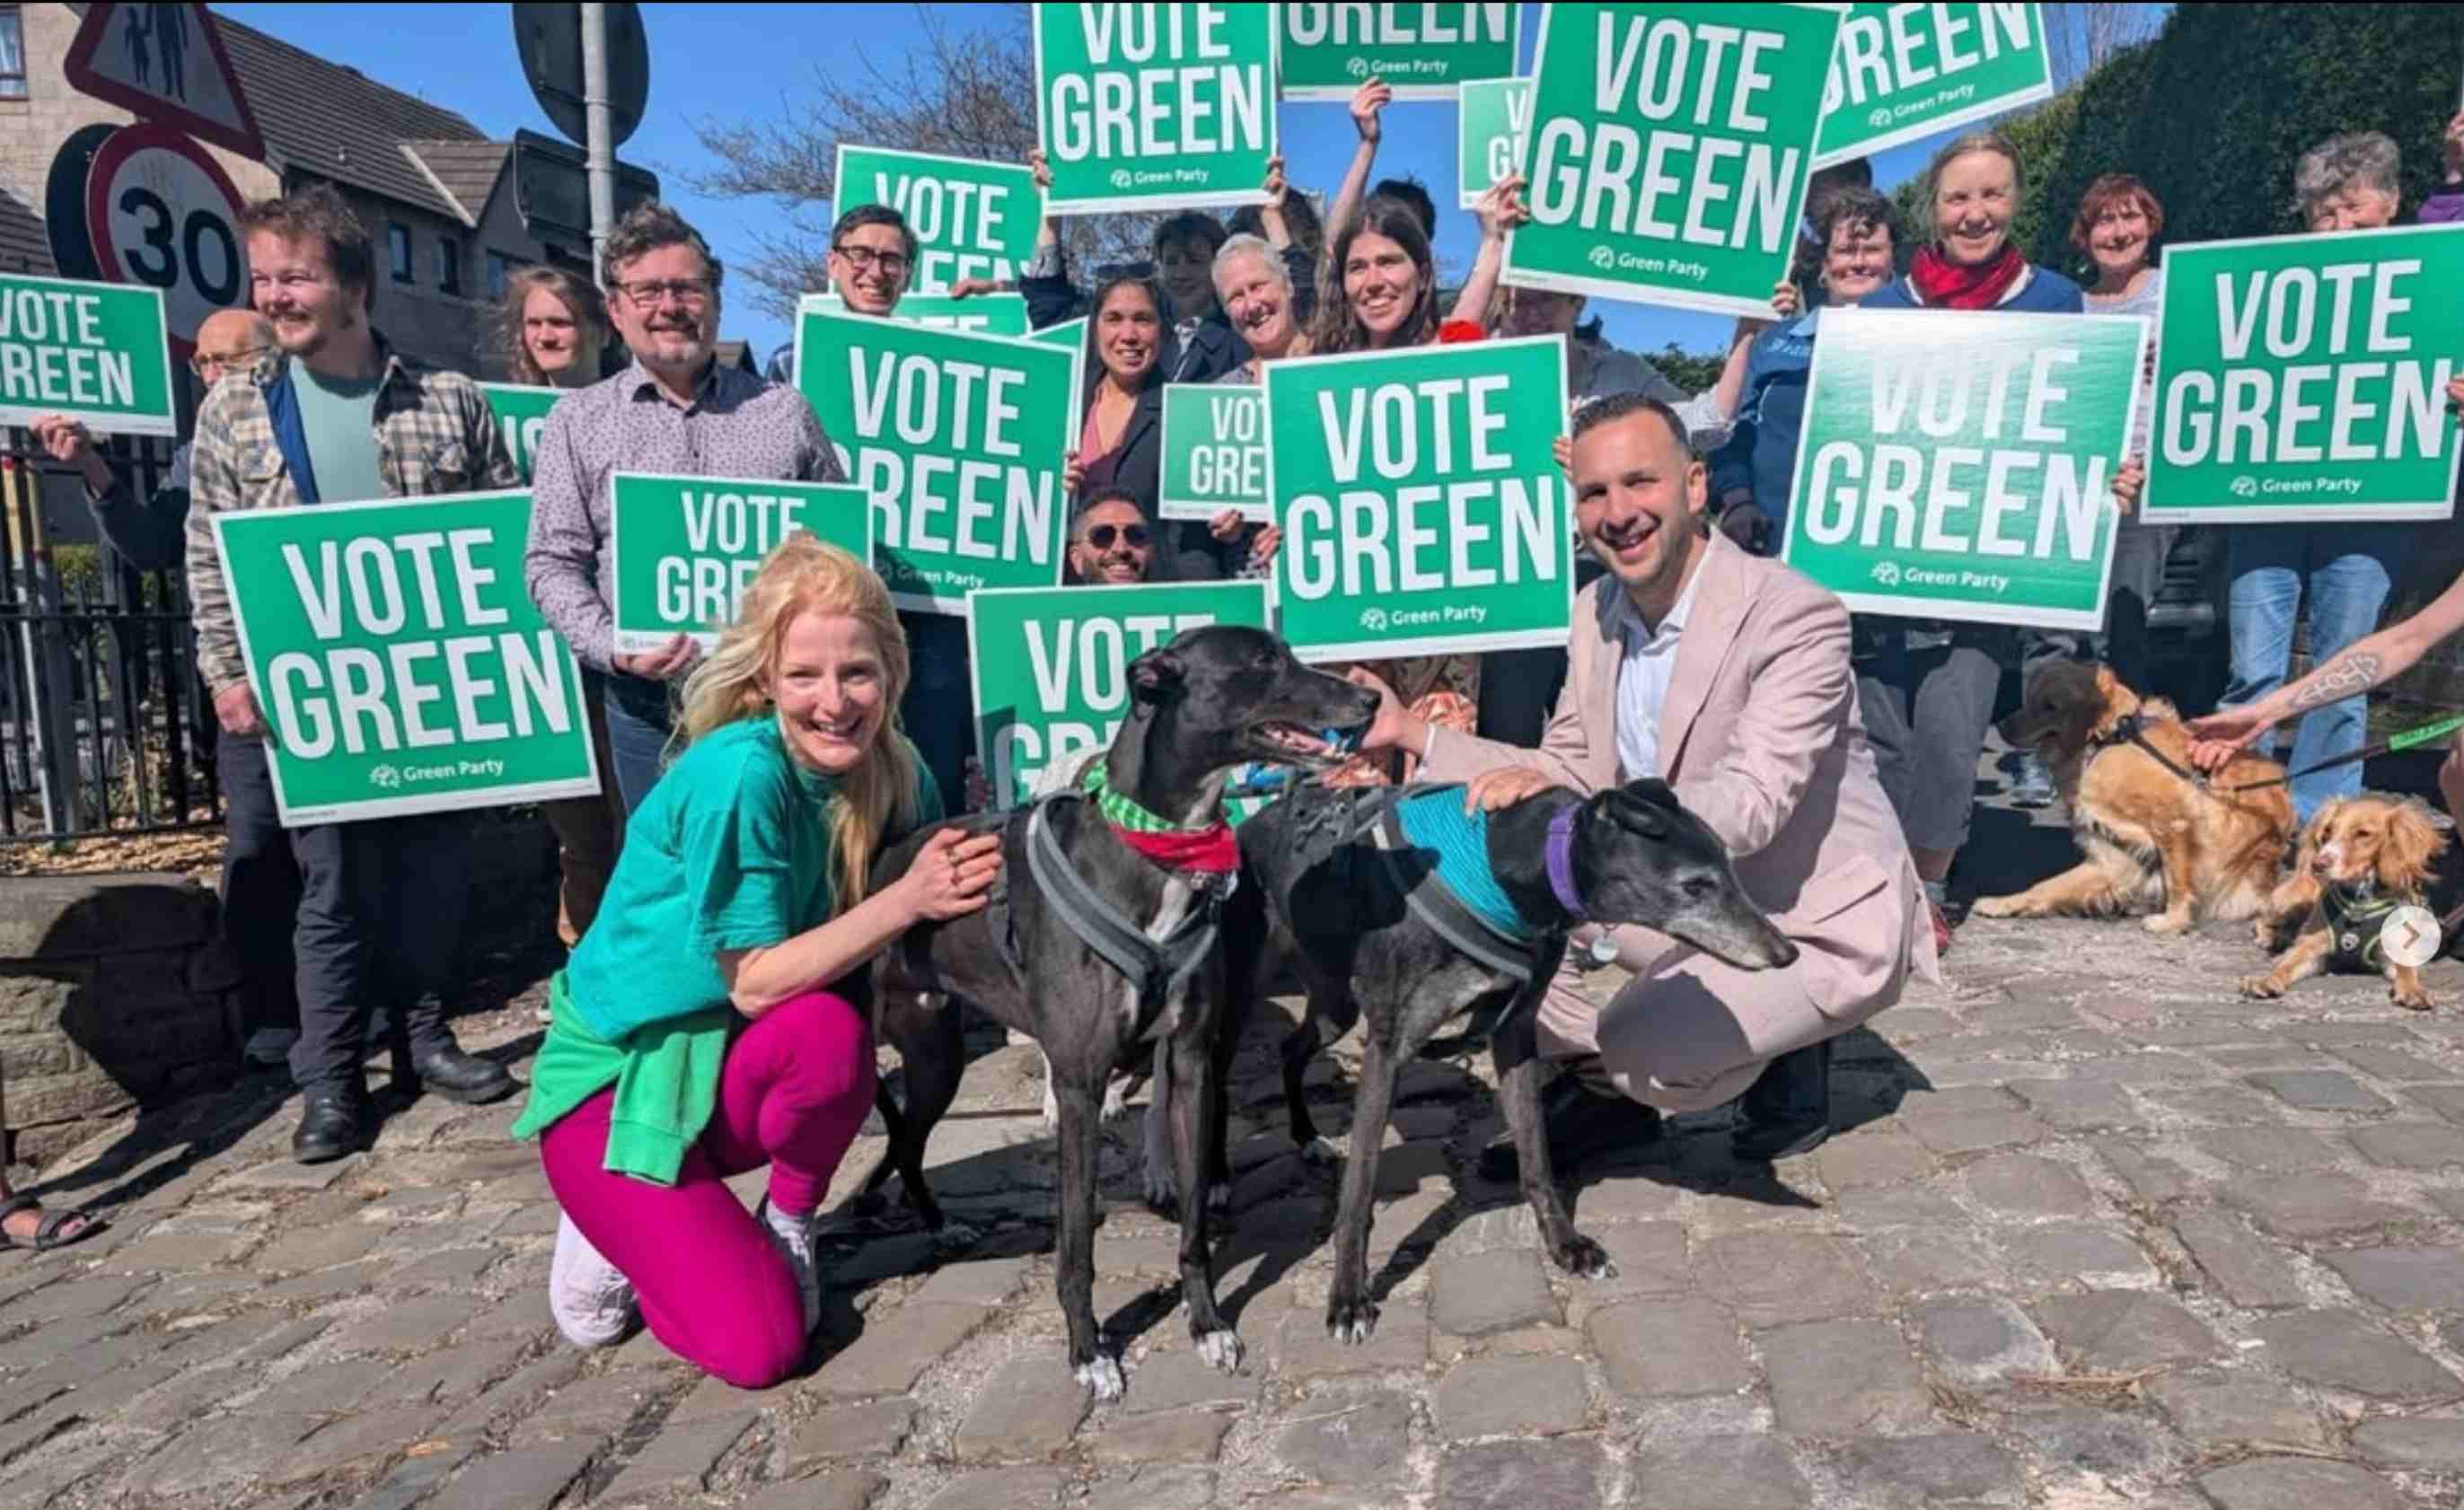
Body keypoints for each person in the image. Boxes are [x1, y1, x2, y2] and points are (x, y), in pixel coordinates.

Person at [1349, 391, 1937, 1171]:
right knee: (1504, 911)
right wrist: (1410, 734)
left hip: (1808, 915)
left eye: (1641, 483)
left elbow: (1751, 805)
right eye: (1594, 493)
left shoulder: (1796, 613)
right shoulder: (1596, 607)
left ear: (1695, 486)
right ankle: (1634, 1075)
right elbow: (1561, 770)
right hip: (1683, 890)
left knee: (1639, 1054)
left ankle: (1753, 1049)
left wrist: (1597, 830)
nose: (1618, 512)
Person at [514, 536, 987, 1389]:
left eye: (858, 673)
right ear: (765, 680)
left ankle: (788, 1219)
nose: (835, 702)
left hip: (735, 1067)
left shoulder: (902, 769)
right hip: (619, 1085)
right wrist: (903, 901)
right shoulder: (742, 775)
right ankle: (610, 1222)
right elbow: (758, 979)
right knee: (757, 1349)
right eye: (805, 675)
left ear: (893, 673)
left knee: (828, 1036)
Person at [185, 184, 523, 1162]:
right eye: (263, 277)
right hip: (305, 698)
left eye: (294, 276)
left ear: (354, 284)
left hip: (427, 689)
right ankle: (329, 1079)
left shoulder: (449, 401)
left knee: (429, 875)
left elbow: (502, 542)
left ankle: (424, 1040)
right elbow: (207, 551)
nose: (273, 296)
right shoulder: (236, 412)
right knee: (329, 889)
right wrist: (226, 673)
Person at [1852, 132, 2143, 946]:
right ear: (1933, 209)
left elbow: (2077, 425)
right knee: (1883, 735)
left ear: (2015, 202)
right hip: (1882, 560)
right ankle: (1882, 876)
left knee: (1953, 726)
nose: (1974, 212)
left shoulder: (2053, 302)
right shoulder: (1880, 312)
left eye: (1991, 195)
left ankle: (1931, 888)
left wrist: (2104, 480)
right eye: (1957, 197)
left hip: (1985, 567)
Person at [31, 311, 304, 1066]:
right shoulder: (196, 455)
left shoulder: (317, 424)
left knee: (347, 851)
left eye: (228, 361)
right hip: (245, 679)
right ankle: (271, 1014)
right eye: (202, 366)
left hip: (331, 666)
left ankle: (370, 1003)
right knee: (256, 843)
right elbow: (155, 545)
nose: (211, 377)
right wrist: (93, 468)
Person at [525, 203, 840, 816]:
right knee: (668, 875)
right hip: (648, 707)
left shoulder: (786, 412)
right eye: (647, 291)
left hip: (776, 701)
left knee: (789, 871)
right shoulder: (578, 420)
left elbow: (839, 550)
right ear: (615, 311)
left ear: (716, 301)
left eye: (687, 288)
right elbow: (550, 562)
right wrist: (611, 644)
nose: (669, 306)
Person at [2212, 131, 2420, 823]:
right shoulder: (2271, 286)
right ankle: (2241, 818)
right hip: (2266, 503)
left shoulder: (2431, 282)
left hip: (2373, 507)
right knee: (2253, 667)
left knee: (2344, 670)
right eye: (2323, 212)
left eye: (2352, 207)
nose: (2338, 225)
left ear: (2390, 205)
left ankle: (2317, 827)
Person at [1303, 191, 1520, 785]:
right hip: (1352, 620)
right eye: (1357, 266)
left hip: (1442, 624)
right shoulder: (1316, 380)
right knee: (1351, 788)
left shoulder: (1453, 359)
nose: (1374, 280)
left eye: (1390, 262)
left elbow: (1470, 315)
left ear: (1422, 275)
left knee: (1438, 786)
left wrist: (1493, 242)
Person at [492, 266, 625, 955]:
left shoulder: (630, 408)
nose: (548, 335)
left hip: (621, 650)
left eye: (562, 321)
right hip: (537, 656)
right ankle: (583, 965)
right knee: (578, 834)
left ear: (599, 327)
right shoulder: (491, 418)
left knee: (631, 818)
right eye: (536, 323)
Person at [2020, 175, 2174, 702]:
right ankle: (2045, 742)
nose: (2119, 230)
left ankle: (2120, 749)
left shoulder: (2178, 291)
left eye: (2130, 216)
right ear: (2084, 236)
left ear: (2151, 224)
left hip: (2146, 479)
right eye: (2104, 220)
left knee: (2125, 623)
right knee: (2055, 625)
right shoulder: (2070, 305)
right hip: (2077, 480)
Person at [1711, 187, 1902, 557]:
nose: (1858, 262)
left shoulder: (1930, 335)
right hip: (1777, 552)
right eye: (1845, 251)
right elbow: (1730, 433)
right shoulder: (1771, 343)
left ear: (1892, 259)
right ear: (1824, 266)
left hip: (1884, 556)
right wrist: (1737, 501)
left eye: (1873, 249)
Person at [1056, 275, 1221, 583]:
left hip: (1148, 601)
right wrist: (1050, 486)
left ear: (1164, 331)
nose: (1128, 334)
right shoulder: (1062, 399)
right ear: (1095, 328)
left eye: (1143, 320)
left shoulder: (1187, 414)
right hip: (1063, 597)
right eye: (1114, 319)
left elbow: (1194, 542)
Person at [500, 263, 613, 387]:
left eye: (560, 323)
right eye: (534, 323)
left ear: (603, 334)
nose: (545, 337)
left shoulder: (631, 403)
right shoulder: (506, 403)